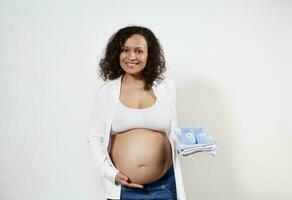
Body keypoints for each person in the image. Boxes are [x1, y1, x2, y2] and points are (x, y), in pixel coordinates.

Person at [88, 25, 187, 200]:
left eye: (139, 51)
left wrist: (190, 143)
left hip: (165, 186)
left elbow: (174, 131)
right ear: (116, 53)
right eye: (125, 50)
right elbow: (95, 137)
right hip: (124, 187)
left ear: (149, 55)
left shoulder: (165, 89)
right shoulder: (106, 92)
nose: (131, 56)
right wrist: (111, 174)